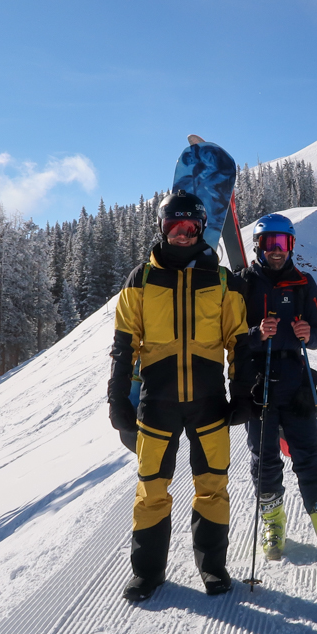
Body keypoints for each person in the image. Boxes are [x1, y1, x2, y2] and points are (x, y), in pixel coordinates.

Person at [107, 190, 256, 602]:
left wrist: (242, 392)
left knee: (212, 485)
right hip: (157, 403)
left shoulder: (222, 280)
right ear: (162, 227)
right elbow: (124, 346)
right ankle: (148, 572)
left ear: (201, 228)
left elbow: (238, 342)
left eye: (190, 226)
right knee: (151, 488)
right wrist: (118, 400)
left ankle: (212, 566)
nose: (182, 234)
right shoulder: (141, 279)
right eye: (173, 225)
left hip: (208, 401)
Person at [238, 213, 317, 564]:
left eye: (284, 244)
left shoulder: (303, 282)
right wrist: (255, 334)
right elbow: (228, 336)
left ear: (291, 245)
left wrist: (311, 335)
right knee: (264, 459)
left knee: (309, 454)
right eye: (270, 244)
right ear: (259, 246)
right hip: (258, 383)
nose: (277, 251)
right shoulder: (244, 282)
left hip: (295, 379)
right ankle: (273, 526)